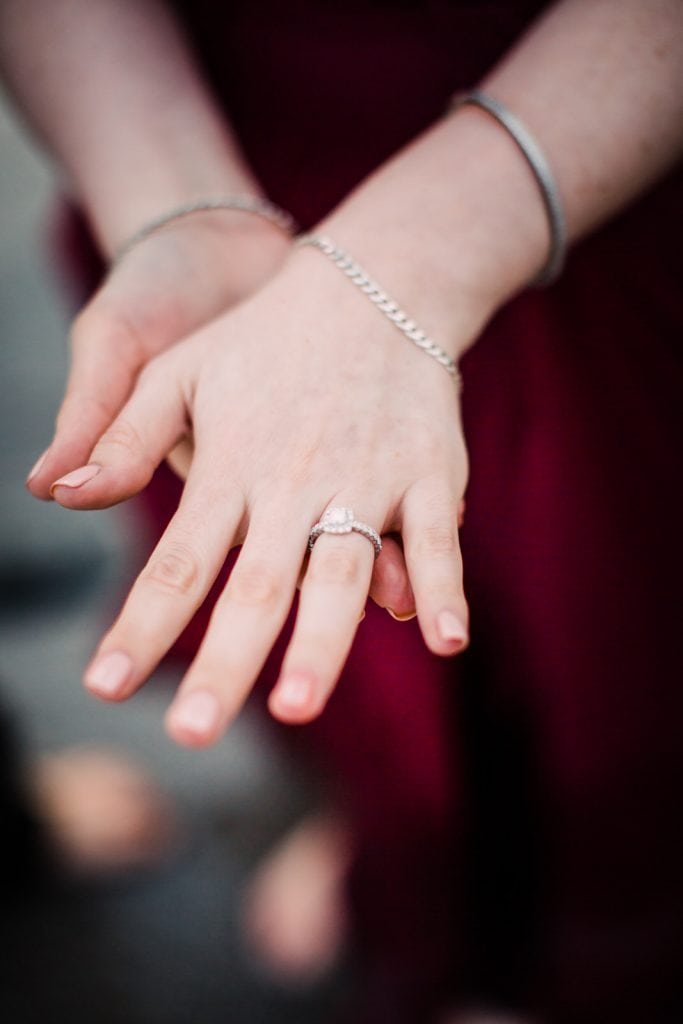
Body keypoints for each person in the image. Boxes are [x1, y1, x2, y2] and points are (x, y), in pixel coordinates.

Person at [2, 0, 682, 1020]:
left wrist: (409, 266)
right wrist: (180, 203)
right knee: (330, 633)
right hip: (219, 152)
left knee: (611, 656)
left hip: (597, 169)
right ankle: (400, 851)